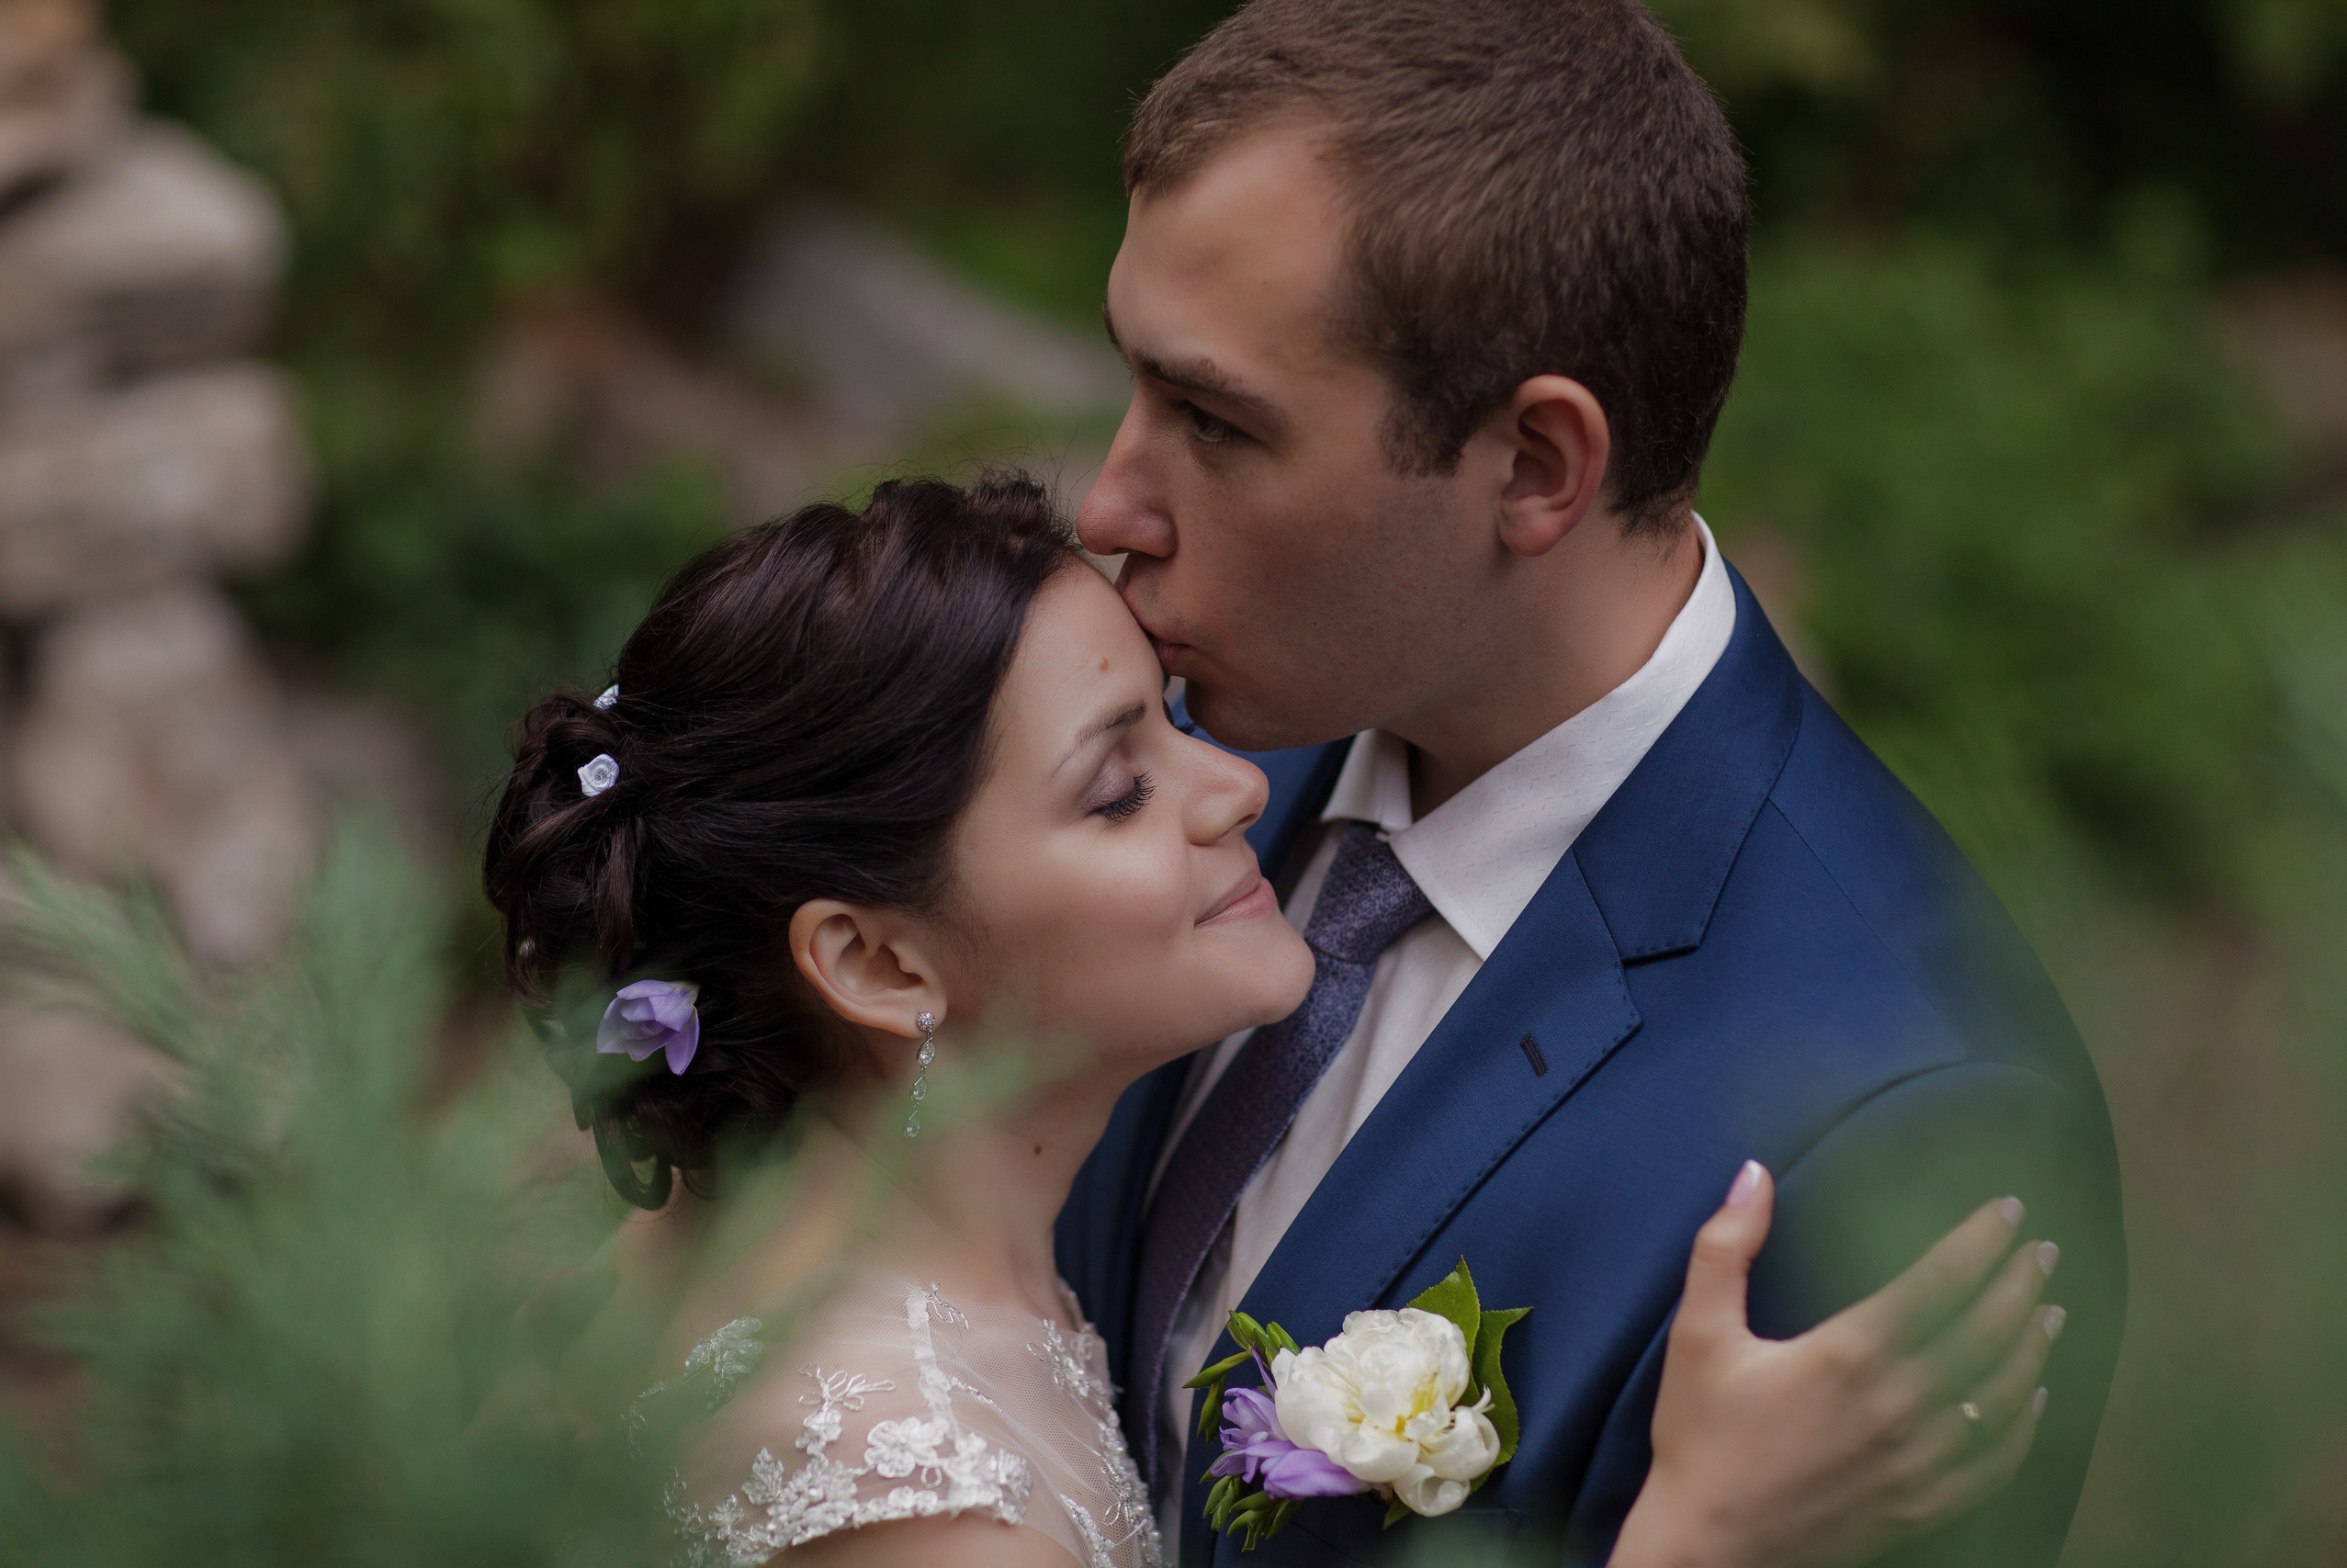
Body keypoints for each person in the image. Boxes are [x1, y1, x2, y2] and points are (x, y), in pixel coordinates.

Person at [485, 477, 2065, 1568]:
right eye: (1117, 789)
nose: (1240, 785)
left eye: (1169, 726)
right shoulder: (929, 1512)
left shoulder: (735, 1223)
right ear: (881, 965)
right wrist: (1698, 1542)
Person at [1055, 1, 2126, 1564]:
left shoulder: (1901, 1129)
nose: (1111, 501)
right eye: (1134, 384)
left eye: (1214, 421)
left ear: (1539, 467)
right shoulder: (1178, 751)